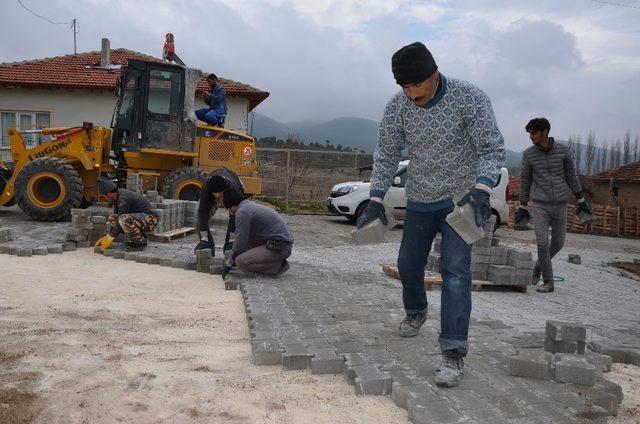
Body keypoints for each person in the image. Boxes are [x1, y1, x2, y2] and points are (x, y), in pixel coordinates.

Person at [357, 41, 505, 387]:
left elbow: (491, 147)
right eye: (403, 87)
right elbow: (387, 152)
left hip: (461, 201)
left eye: (416, 85)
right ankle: (416, 311)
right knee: (409, 265)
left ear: (434, 74)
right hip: (421, 197)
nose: (410, 94)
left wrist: (482, 189)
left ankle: (453, 353)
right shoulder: (398, 107)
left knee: (456, 273)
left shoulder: (469, 97)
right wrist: (376, 199)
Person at [515, 118, 591, 293]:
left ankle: (538, 267)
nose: (530, 137)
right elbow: (525, 180)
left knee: (558, 243)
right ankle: (549, 282)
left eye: (533, 133)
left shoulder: (563, 151)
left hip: (560, 204)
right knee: (542, 243)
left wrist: (580, 198)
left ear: (545, 132)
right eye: (529, 133)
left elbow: (571, 175)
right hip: (540, 204)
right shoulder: (529, 154)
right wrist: (523, 205)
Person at [222, 189, 293, 276]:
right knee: (240, 252)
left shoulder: (242, 212)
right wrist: (232, 255)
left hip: (279, 246)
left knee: (240, 262)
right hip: (276, 243)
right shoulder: (248, 206)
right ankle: (273, 261)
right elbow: (244, 240)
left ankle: (276, 267)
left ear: (231, 207)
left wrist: (229, 262)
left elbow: (240, 241)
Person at [95, 177, 159, 252]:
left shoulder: (124, 198)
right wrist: (108, 236)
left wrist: (111, 237)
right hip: (140, 219)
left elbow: (120, 219)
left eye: (104, 196)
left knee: (123, 219)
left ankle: (141, 243)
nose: (105, 198)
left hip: (151, 219)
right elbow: (116, 218)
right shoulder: (117, 197)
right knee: (112, 218)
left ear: (109, 193)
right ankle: (139, 239)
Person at [194, 168, 244, 255]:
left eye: (221, 196)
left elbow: (234, 215)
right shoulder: (206, 188)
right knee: (198, 216)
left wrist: (232, 238)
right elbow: (202, 211)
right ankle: (207, 245)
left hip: (234, 184)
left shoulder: (233, 189)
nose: (219, 199)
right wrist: (204, 237)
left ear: (224, 192)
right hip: (212, 190)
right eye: (217, 196)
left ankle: (229, 246)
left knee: (236, 214)